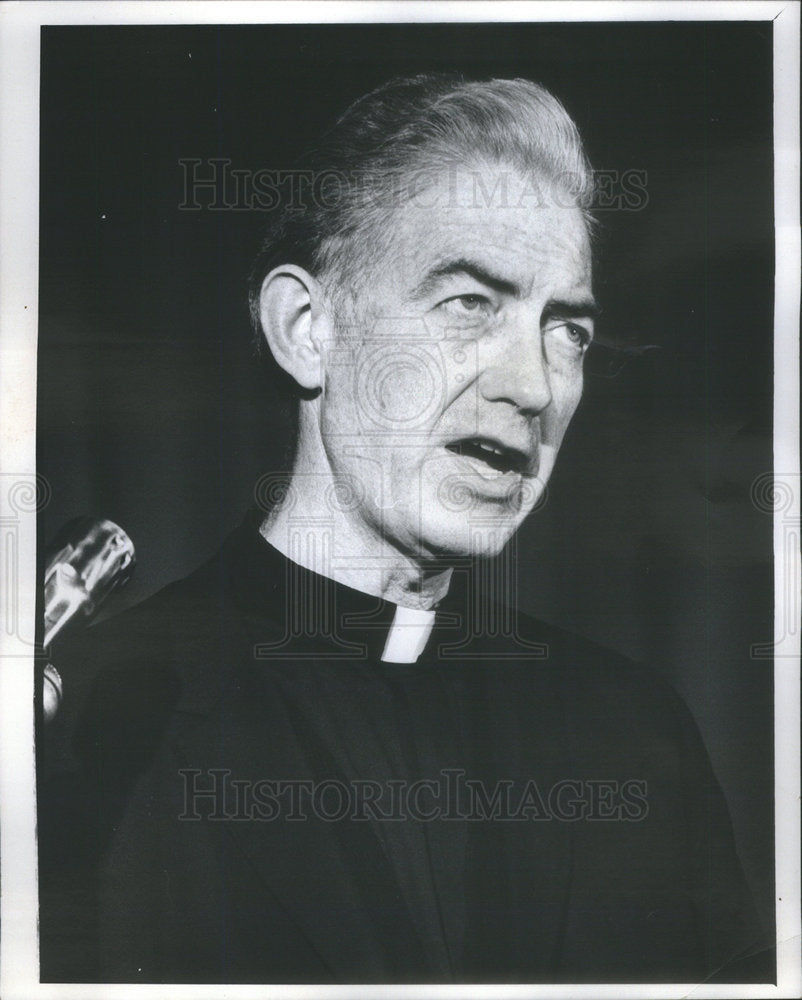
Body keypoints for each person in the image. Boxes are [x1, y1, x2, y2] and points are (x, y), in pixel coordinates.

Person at [37, 74, 767, 984]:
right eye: (469, 304)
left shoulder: (638, 736)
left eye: (566, 331)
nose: (533, 388)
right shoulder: (83, 729)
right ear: (306, 330)